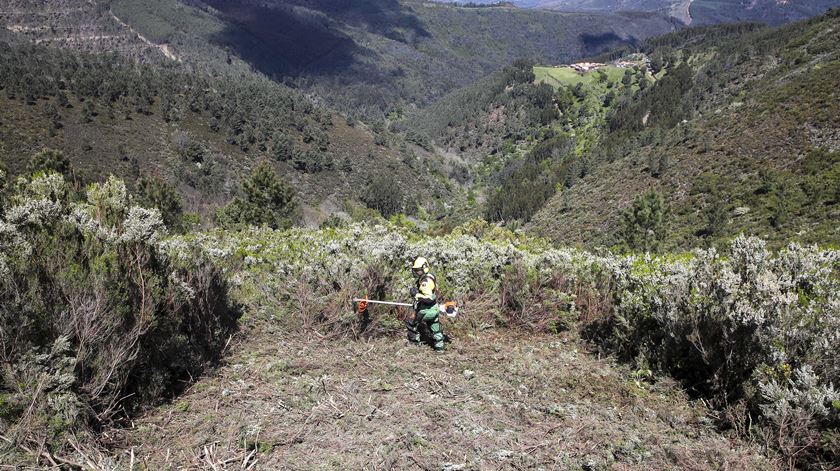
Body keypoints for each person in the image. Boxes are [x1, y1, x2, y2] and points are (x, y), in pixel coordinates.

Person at [406, 257, 445, 352]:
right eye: (416, 270)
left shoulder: (425, 282)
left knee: (411, 323)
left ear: (424, 268)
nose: (417, 272)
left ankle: (415, 346)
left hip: (426, 310)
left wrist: (416, 295)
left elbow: (429, 299)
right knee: (435, 328)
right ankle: (440, 349)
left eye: (418, 270)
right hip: (434, 309)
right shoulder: (430, 277)